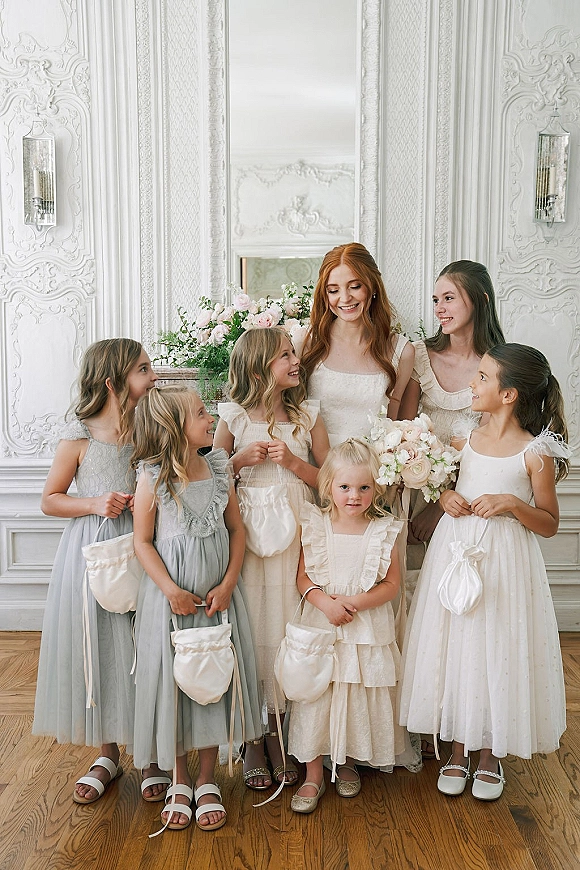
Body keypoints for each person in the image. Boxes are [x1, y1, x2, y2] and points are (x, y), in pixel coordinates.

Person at [398, 343, 570, 801]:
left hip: (504, 563)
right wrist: (445, 500)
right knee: (459, 645)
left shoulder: (535, 454)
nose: (472, 386)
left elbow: (550, 524)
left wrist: (514, 505)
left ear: (509, 394)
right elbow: (449, 489)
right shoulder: (464, 438)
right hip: (456, 549)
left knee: (496, 646)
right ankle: (457, 749)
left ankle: (491, 754)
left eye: (483, 378)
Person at [32, 338, 165, 804]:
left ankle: (150, 754)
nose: (153, 377)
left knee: (142, 644)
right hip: (93, 550)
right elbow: (50, 499)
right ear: (113, 382)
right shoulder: (81, 436)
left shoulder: (151, 429)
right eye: (144, 370)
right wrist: (94, 502)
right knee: (100, 645)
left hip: (145, 547)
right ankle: (107, 751)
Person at [131, 385, 262, 832]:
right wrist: (169, 589)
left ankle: (208, 778)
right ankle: (180, 778)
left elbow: (237, 531)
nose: (211, 419)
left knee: (213, 681)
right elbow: (142, 542)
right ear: (174, 427)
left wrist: (227, 584)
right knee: (174, 688)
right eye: (202, 413)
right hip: (172, 606)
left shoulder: (218, 469)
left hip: (215, 603)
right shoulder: (152, 479)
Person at [214, 326, 329, 791]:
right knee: (254, 630)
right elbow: (208, 476)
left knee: (285, 628)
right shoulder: (233, 418)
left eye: (294, 353)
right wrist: (239, 461)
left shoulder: (307, 417)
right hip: (248, 543)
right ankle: (253, 737)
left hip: (295, 542)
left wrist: (293, 464)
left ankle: (283, 731)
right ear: (261, 366)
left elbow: (329, 478)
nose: (295, 361)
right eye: (285, 355)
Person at [287, 439, 406, 813]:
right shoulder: (316, 525)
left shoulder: (383, 530)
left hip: (363, 626)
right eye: (345, 487)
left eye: (364, 487)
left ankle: (347, 760)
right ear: (329, 487)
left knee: (355, 695)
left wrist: (354, 603)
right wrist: (324, 602)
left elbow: (392, 585)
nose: (354, 496)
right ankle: (312, 772)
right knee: (318, 695)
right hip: (322, 623)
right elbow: (303, 578)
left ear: (377, 488)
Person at [300, 242, 415, 444]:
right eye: (333, 290)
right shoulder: (307, 341)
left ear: (372, 287)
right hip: (315, 469)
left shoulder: (401, 351)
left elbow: (393, 428)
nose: (345, 298)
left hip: (371, 469)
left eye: (355, 286)